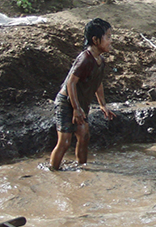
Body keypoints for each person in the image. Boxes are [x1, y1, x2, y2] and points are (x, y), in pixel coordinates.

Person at [50, 18, 116, 170]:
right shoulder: (85, 58)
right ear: (95, 40)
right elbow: (71, 82)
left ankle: (82, 168)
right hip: (67, 103)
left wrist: (103, 105)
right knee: (65, 141)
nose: (110, 41)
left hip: (80, 103)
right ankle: (53, 170)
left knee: (84, 136)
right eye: (108, 37)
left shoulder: (100, 61)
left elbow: (97, 83)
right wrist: (75, 108)